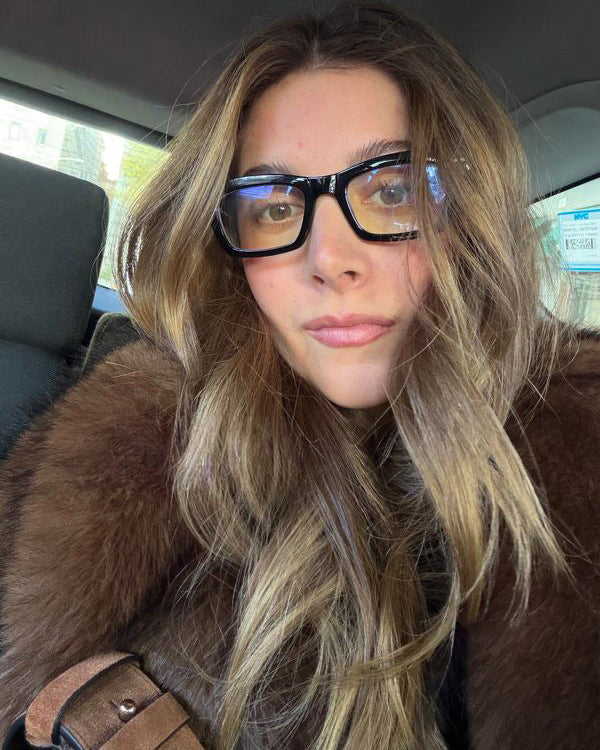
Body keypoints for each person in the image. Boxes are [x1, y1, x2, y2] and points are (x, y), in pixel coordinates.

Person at [0, 1, 599, 748]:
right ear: (228, 246)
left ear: (468, 218)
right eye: (275, 206)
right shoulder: (129, 459)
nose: (330, 260)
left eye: (393, 190)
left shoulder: (578, 451)